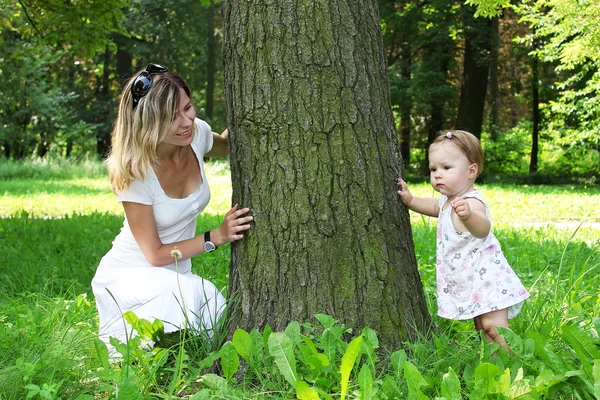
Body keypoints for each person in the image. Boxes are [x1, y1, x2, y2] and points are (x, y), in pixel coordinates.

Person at [91, 63, 253, 353]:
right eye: (171, 117)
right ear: (148, 124)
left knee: (206, 313)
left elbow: (227, 145)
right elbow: (153, 255)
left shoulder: (197, 135)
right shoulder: (137, 174)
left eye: (188, 107)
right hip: (132, 275)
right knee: (203, 301)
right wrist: (214, 237)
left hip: (176, 274)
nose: (186, 121)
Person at [396, 130, 529, 352]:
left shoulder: (471, 202)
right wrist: (410, 200)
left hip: (488, 280)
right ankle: (495, 363)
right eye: (433, 169)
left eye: (446, 168)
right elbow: (432, 207)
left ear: (471, 170)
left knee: (492, 327)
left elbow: (483, 228)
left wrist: (469, 216)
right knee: (481, 327)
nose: (438, 174)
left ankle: (513, 363)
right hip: (472, 281)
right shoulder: (447, 202)